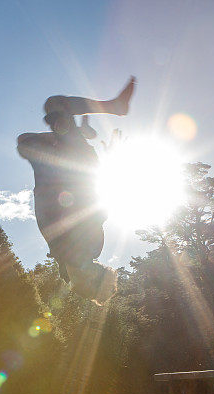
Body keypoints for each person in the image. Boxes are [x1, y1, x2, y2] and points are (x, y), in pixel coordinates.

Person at [17, 77, 136, 304]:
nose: (86, 276)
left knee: (24, 142)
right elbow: (98, 208)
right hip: (71, 170)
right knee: (55, 105)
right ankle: (113, 108)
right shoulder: (90, 248)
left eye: (85, 284)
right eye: (94, 276)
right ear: (95, 272)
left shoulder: (64, 260)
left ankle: (82, 133)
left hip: (51, 175)